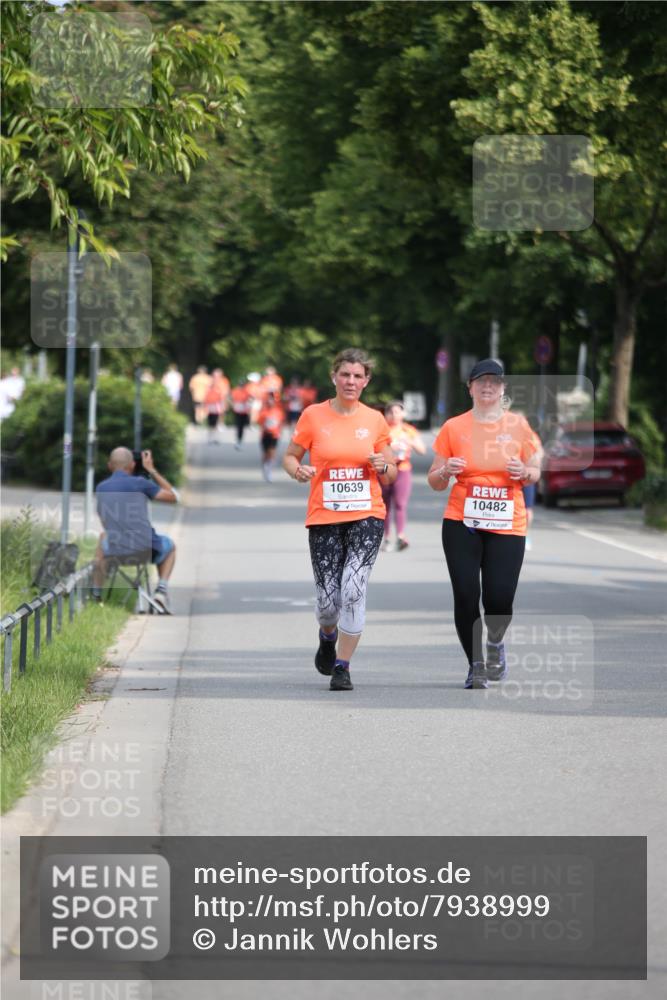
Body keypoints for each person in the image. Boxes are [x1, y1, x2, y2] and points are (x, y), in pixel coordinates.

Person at [283, 348, 397, 691]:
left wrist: (384, 466)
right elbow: (290, 456)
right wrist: (297, 470)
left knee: (353, 588)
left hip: (367, 515)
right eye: (345, 374)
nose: (351, 381)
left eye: (358, 376)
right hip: (325, 516)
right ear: (334, 377)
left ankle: (342, 666)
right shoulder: (313, 416)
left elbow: (391, 471)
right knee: (328, 603)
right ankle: (327, 636)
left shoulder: (374, 420)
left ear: (366, 381)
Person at [427, 359, 541, 690]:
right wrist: (446, 470)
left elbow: (535, 470)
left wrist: (525, 473)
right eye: (481, 381)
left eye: (494, 381)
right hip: (462, 520)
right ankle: (475, 664)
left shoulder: (518, 425)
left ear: (503, 388)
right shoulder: (454, 427)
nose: (488, 386)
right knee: (465, 594)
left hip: (507, 522)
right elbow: (435, 481)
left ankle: (495, 641)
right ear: (471, 387)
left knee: (499, 599)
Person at [93, 447, 178, 614]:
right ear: (132, 465)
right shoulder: (140, 483)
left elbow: (104, 520)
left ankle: (95, 594)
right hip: (146, 551)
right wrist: (151, 470)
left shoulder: (101, 487)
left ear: (109, 465)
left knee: (103, 538)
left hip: (115, 553)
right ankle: (161, 591)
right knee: (171, 546)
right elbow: (174, 497)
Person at [381, 400, 426, 551]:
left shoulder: (409, 430)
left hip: (403, 469)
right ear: (386, 414)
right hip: (385, 470)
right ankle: (387, 538)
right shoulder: (382, 430)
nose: (394, 415)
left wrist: (410, 442)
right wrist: (389, 446)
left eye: (397, 412)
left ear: (403, 414)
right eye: (390, 412)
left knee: (400, 504)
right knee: (385, 505)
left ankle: (400, 536)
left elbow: (422, 450)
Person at [258, 391, 285, 481]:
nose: (270, 401)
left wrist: (279, 432)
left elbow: (281, 423)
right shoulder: (263, 411)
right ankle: (265, 467)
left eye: (272, 399)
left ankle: (269, 471)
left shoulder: (278, 412)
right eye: (269, 399)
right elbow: (260, 422)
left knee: (272, 452)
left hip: (274, 435)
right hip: (265, 435)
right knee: (266, 454)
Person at [204, 372, 227, 443]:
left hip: (216, 408)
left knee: (216, 423)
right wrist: (205, 408)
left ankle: (215, 438)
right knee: (210, 424)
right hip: (210, 408)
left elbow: (221, 399)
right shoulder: (208, 390)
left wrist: (222, 406)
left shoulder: (219, 388)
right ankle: (210, 438)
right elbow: (206, 400)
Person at [230, 379, 252, 449]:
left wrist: (248, 404)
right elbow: (231, 399)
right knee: (238, 426)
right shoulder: (235, 391)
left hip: (244, 411)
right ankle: (238, 439)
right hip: (237, 410)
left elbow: (250, 399)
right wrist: (233, 405)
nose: (241, 386)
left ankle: (240, 440)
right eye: (240, 385)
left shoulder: (246, 391)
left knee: (242, 426)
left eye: (242, 385)